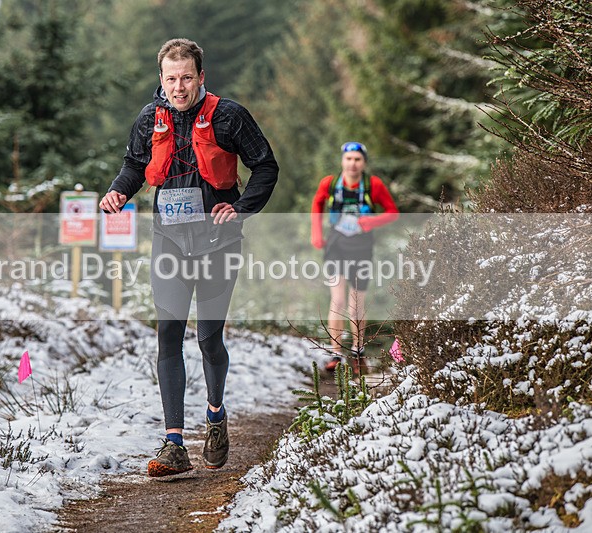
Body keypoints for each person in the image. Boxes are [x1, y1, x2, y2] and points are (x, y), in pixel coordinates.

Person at [99, 38, 278, 477]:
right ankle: (174, 443)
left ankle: (215, 417)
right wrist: (119, 190)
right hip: (169, 242)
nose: (178, 87)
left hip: (218, 242)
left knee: (208, 339)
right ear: (161, 79)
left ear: (201, 77)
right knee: (169, 336)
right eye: (171, 78)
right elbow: (135, 164)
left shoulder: (229, 116)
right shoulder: (150, 118)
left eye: (186, 78)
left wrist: (240, 207)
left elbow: (266, 166)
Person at [310, 142, 398, 375]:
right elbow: (317, 204)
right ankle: (336, 353)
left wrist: (371, 221)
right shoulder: (329, 183)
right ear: (342, 161)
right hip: (336, 244)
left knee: (356, 302)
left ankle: (358, 352)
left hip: (361, 246)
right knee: (337, 300)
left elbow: (392, 212)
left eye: (357, 159)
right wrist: (316, 233)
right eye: (349, 159)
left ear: (364, 162)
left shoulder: (373, 185)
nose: (352, 163)